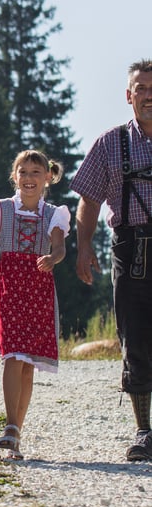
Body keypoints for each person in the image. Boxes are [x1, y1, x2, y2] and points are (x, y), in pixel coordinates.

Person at [71, 59, 152, 462]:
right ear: (128, 95)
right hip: (130, 250)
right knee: (134, 339)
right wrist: (84, 246)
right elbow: (88, 199)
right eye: (141, 88)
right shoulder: (110, 143)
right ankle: (143, 431)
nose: (149, 95)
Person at [0, 150, 70, 459]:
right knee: (13, 354)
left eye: (35, 172)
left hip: (39, 287)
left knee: (28, 366)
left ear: (47, 177)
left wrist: (53, 257)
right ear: (14, 177)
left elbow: (60, 245)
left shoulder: (54, 213)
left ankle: (16, 431)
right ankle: (10, 426)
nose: (29, 177)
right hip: (10, 285)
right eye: (23, 172)